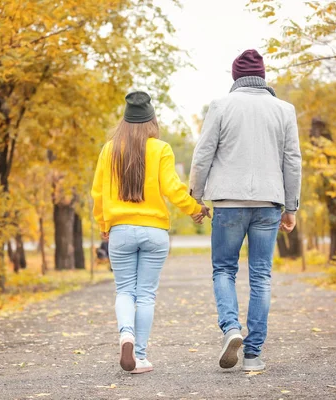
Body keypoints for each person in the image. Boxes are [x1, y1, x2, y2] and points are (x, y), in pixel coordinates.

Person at [189, 49, 302, 372]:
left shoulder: (221, 106)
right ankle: (253, 355)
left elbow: (202, 155)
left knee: (224, 269)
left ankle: (231, 328)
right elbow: (292, 161)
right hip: (269, 203)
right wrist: (291, 207)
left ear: (236, 77)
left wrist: (196, 195)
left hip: (228, 203)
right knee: (261, 276)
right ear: (263, 76)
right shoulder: (284, 110)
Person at [91, 91, 210, 374]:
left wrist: (103, 224)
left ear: (125, 120)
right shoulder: (161, 149)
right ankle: (140, 356)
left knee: (124, 291)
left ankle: (125, 335)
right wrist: (194, 208)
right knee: (145, 295)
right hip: (155, 232)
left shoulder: (109, 150)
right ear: (151, 120)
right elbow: (172, 187)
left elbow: (97, 193)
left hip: (120, 230)